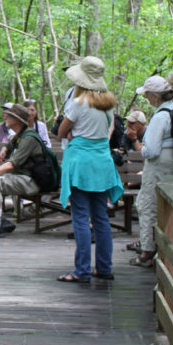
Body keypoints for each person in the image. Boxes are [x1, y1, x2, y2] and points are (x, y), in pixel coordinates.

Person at [55, 57, 123, 283]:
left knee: (81, 218)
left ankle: (82, 270)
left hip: (81, 164)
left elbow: (61, 132)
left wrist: (74, 134)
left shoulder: (78, 103)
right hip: (102, 163)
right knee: (101, 218)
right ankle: (105, 267)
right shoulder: (108, 104)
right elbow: (107, 133)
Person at [0, 103, 44, 239]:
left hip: (32, 181)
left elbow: (11, 165)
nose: (6, 117)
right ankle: (0, 221)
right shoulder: (19, 135)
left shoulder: (29, 138)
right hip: (20, 178)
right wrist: (5, 149)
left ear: (17, 120)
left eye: (10, 116)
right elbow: (10, 144)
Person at [129, 75, 173, 267]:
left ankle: (147, 252)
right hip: (171, 165)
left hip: (158, 166)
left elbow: (151, 151)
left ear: (155, 96)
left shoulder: (161, 116)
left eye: (147, 94)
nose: (146, 98)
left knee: (146, 205)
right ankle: (157, 248)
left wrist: (143, 147)